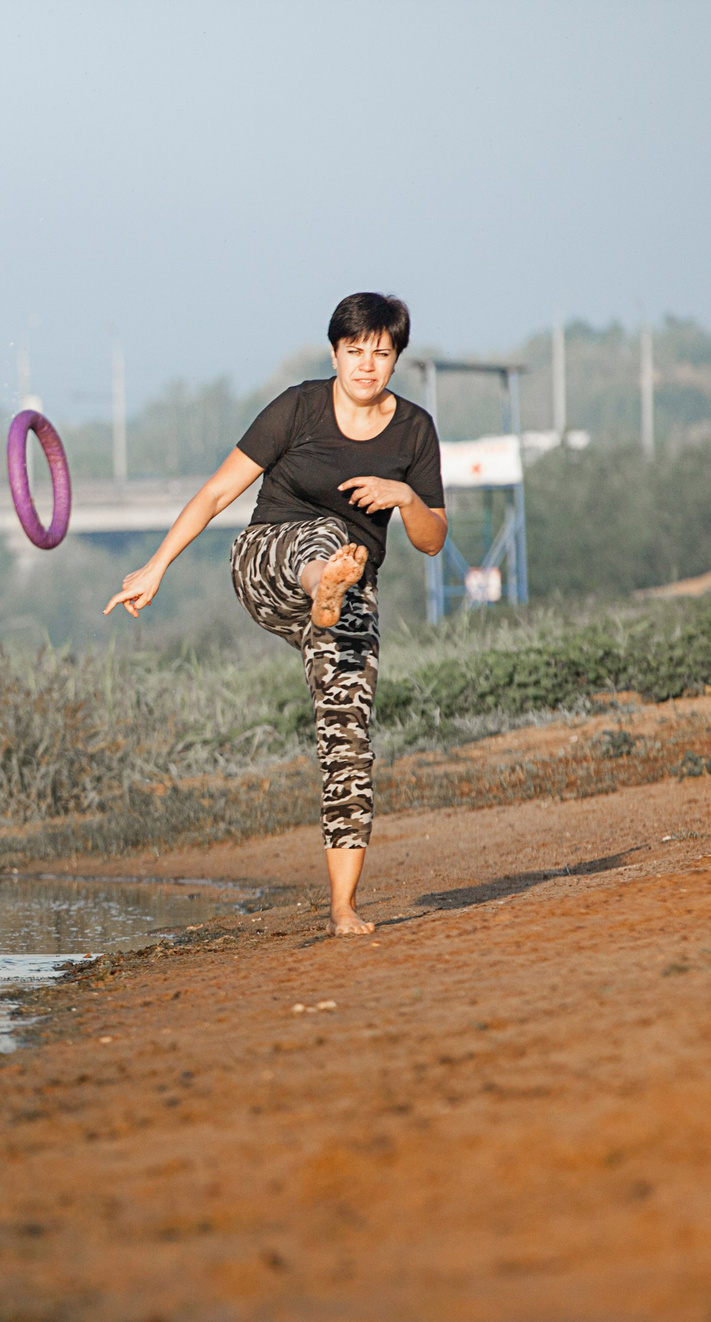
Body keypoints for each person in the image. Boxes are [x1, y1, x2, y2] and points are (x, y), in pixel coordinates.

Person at [105, 292, 447, 935]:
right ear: (335, 353)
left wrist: (404, 496)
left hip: (349, 599)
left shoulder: (414, 430)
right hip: (269, 563)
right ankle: (326, 581)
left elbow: (432, 539)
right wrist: (156, 567)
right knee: (323, 539)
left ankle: (343, 907)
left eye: (381, 354)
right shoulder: (299, 407)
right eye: (355, 352)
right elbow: (215, 492)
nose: (367, 366)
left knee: (348, 739)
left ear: (397, 358)